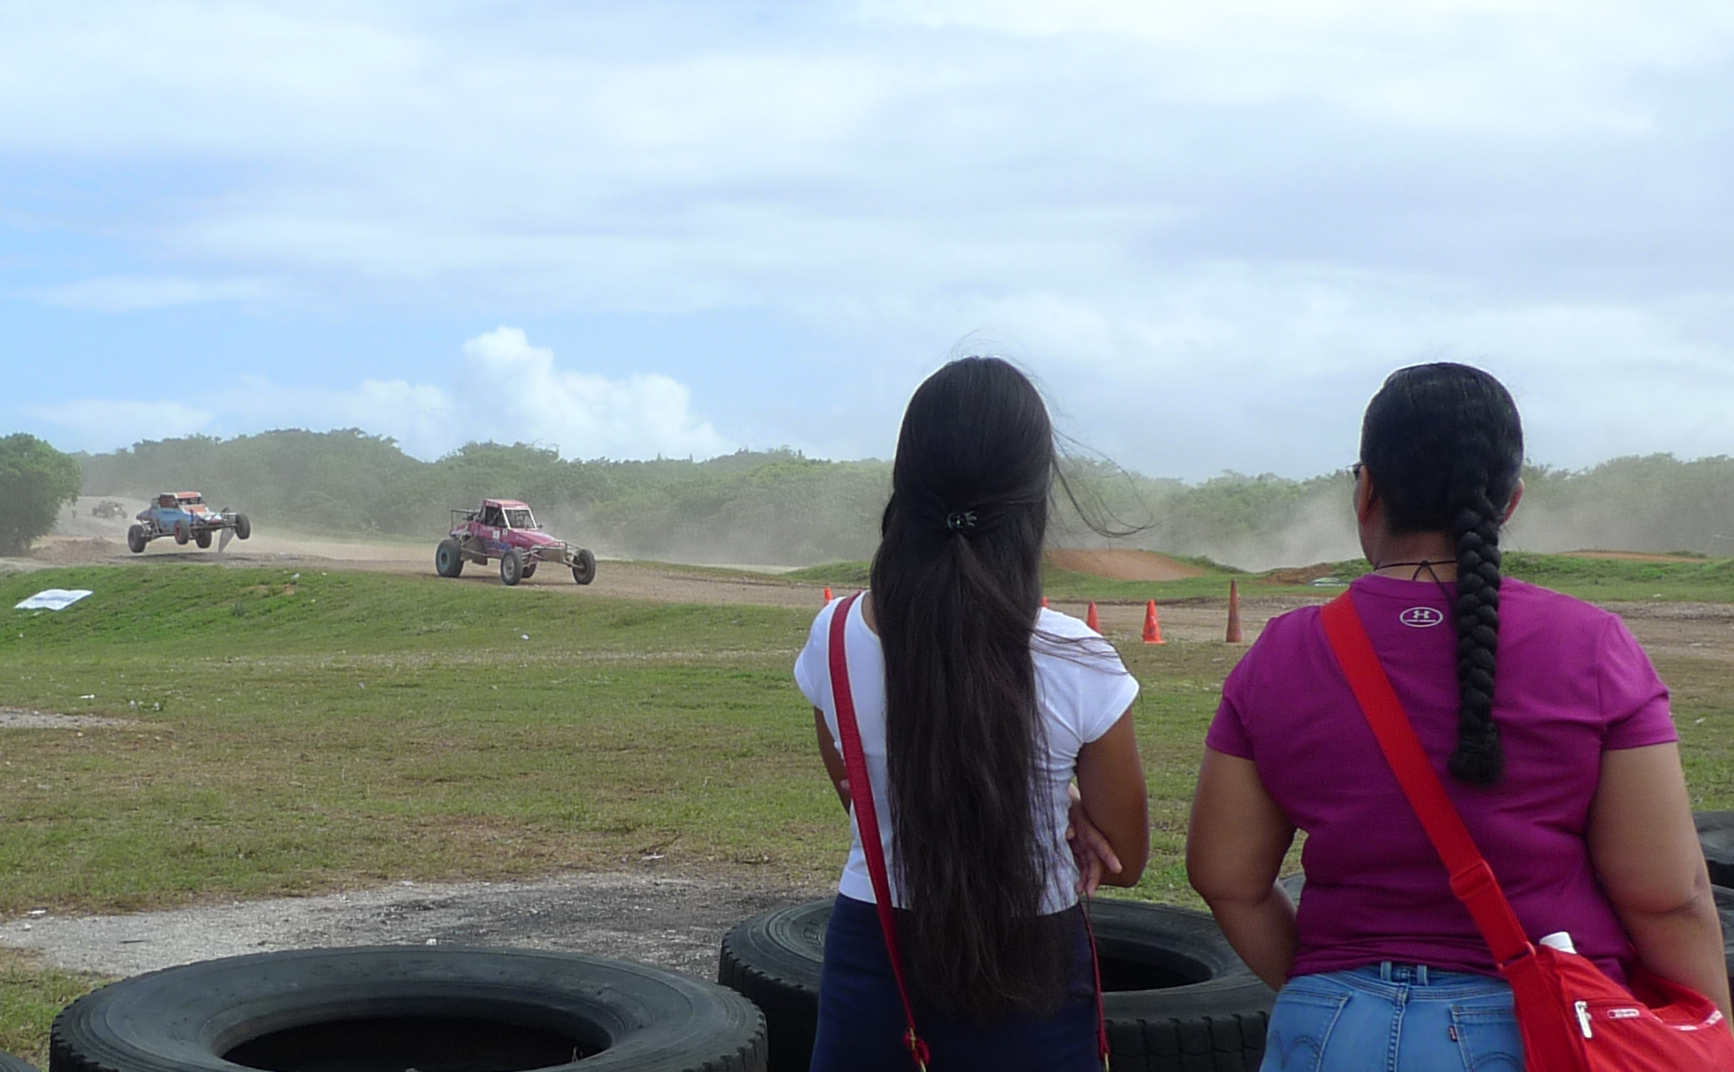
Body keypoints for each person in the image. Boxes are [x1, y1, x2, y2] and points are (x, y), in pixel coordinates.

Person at [1186, 362, 1731, 1071]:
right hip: (1536, 1029)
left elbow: (1226, 877)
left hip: (1327, 1028)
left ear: (1367, 489)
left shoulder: (1282, 651)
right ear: (1510, 501)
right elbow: (1668, 897)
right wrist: (1706, 1040)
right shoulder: (1592, 644)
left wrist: (1325, 985)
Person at [793, 356, 1150, 1071]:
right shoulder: (1079, 657)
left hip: (873, 961)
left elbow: (858, 794)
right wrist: (1062, 800)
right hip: (1035, 970)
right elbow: (1125, 859)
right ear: (1033, 495)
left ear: (907, 482)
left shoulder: (833, 635)